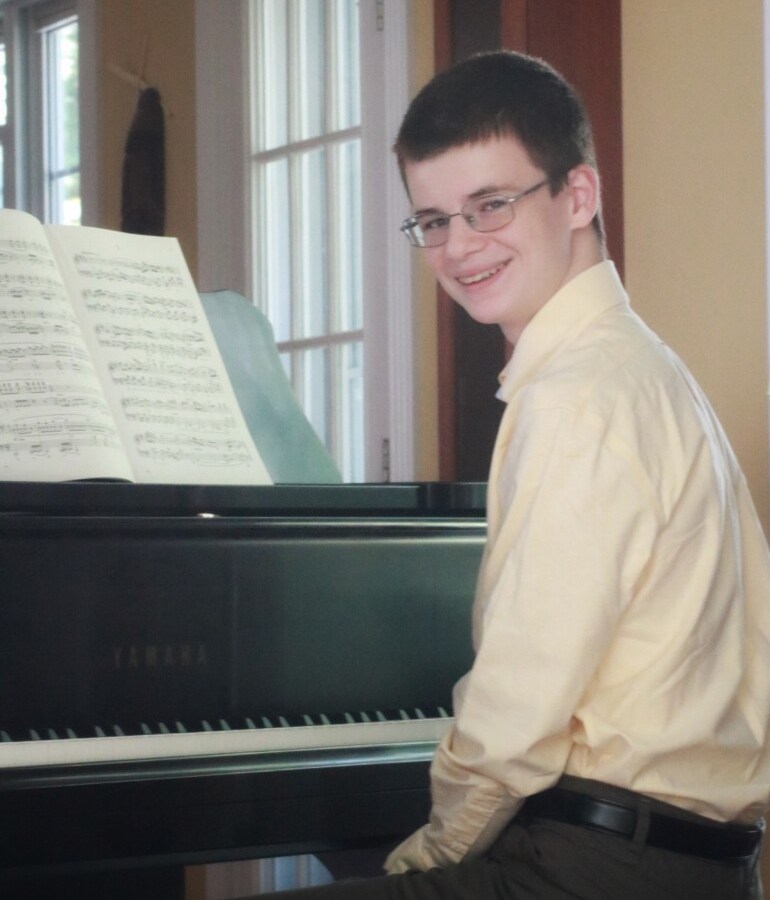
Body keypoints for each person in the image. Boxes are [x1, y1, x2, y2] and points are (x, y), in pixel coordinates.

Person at [266, 50, 770, 900]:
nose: (460, 247)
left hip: (599, 867)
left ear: (578, 195)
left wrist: (426, 859)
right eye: (433, 220)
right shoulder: (642, 366)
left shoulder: (575, 398)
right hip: (700, 863)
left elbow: (513, 721)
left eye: (490, 205)